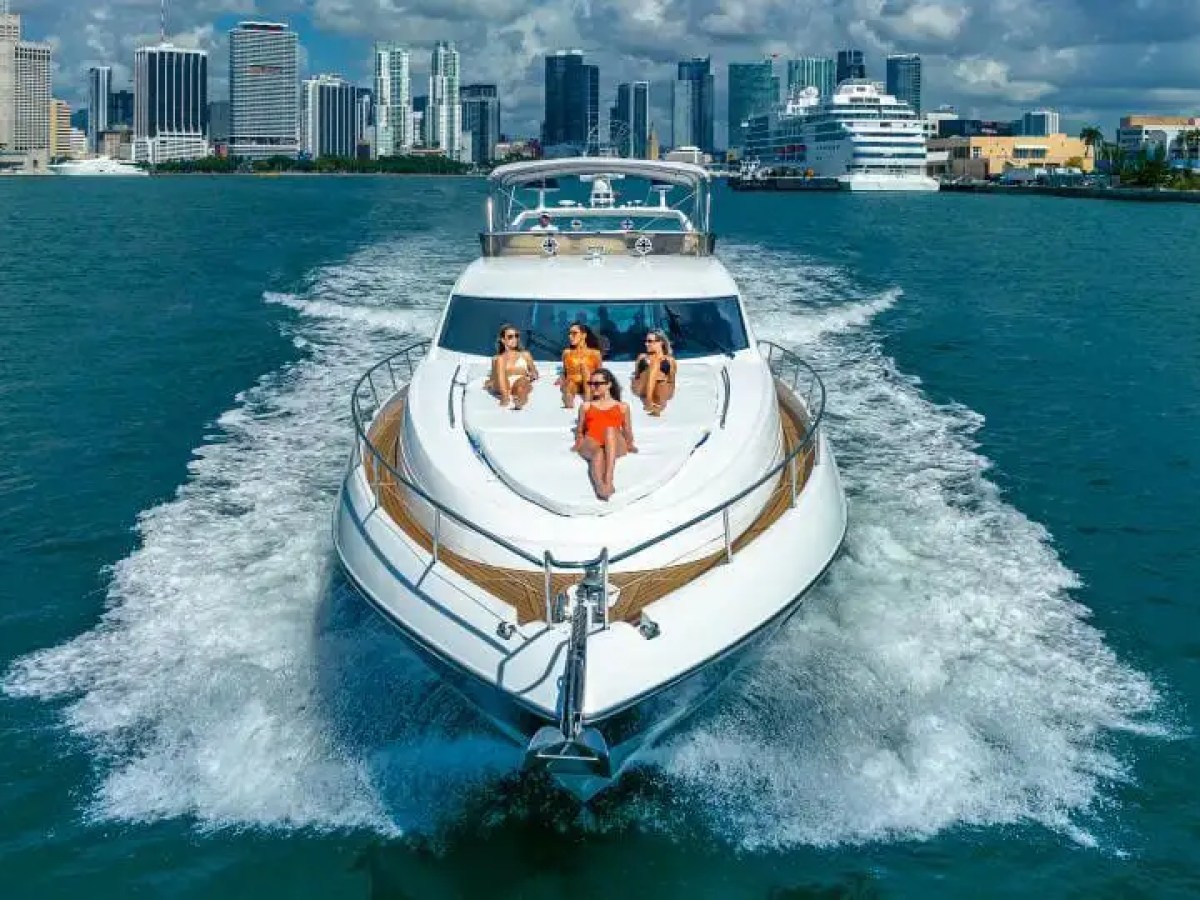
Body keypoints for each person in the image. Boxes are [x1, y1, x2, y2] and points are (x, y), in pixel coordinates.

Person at [573, 368, 636, 500]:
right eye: (590, 383)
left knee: (610, 430)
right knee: (598, 453)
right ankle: (601, 487)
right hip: (592, 440)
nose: (593, 387)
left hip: (614, 441)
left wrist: (630, 444)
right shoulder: (586, 406)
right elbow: (580, 430)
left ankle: (609, 478)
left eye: (597, 384)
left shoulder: (622, 406)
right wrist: (578, 442)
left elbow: (627, 430)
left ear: (608, 384)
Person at [488, 324, 538, 409]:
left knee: (521, 385)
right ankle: (505, 397)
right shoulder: (496, 359)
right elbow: (493, 379)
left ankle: (519, 402)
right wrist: (516, 371)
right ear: (503, 340)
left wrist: (531, 375)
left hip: (519, 382)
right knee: (500, 359)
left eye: (516, 336)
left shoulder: (525, 355)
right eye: (510, 336)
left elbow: (535, 373)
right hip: (502, 385)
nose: (514, 339)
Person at [557, 322, 602, 408]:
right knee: (570, 384)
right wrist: (561, 376)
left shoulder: (595, 353)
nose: (570, 336)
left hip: (589, 383)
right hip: (572, 382)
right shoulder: (566, 353)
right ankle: (569, 400)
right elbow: (565, 370)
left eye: (574, 333)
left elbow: (600, 373)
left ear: (584, 335)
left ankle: (588, 401)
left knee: (585, 369)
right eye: (569, 334)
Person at [632, 329, 676, 416]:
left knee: (661, 377)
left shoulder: (670, 361)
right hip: (642, 388)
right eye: (646, 341)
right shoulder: (642, 358)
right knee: (655, 365)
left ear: (661, 342)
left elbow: (671, 383)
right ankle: (650, 400)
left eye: (650, 341)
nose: (646, 344)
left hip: (660, 392)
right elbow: (636, 377)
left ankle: (655, 404)